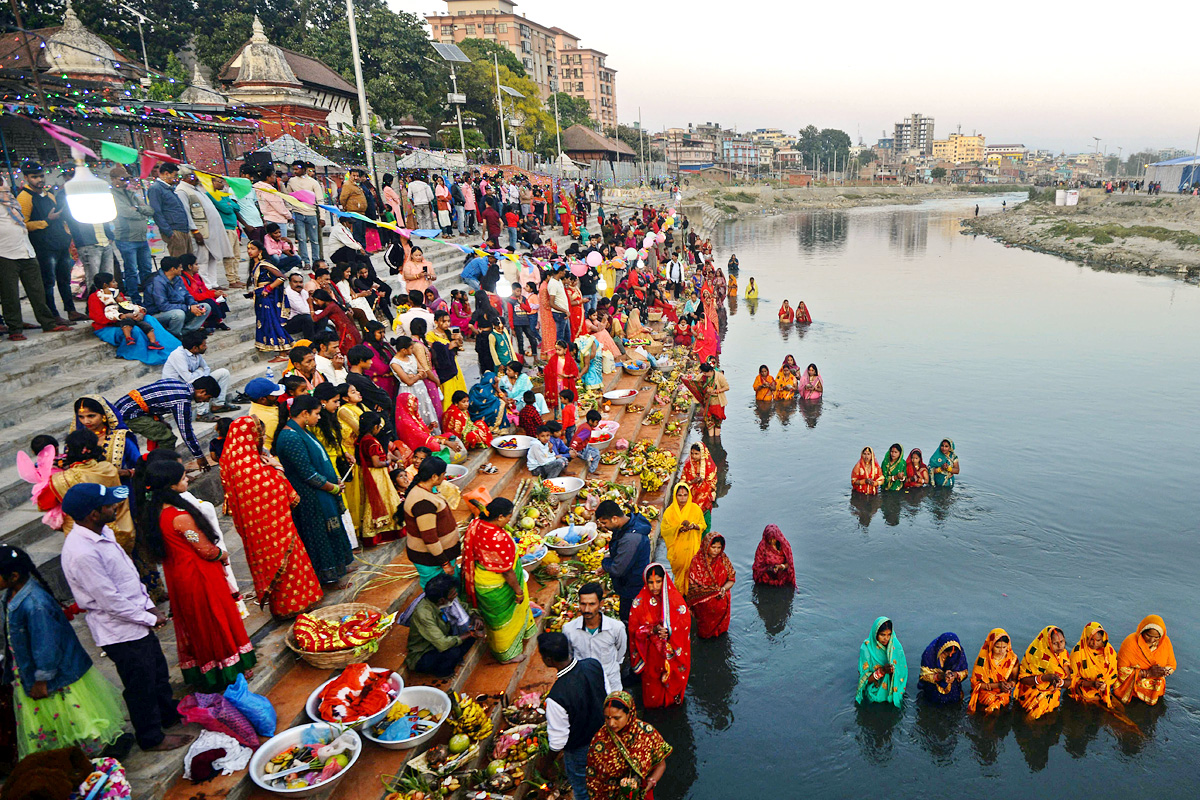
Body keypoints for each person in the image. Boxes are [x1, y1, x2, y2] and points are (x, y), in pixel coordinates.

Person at [59, 484, 190, 752]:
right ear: (93, 514)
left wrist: (148, 606)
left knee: (157, 674)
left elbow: (127, 574)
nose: (114, 507)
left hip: (137, 621)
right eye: (107, 505)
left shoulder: (102, 531)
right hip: (120, 631)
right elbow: (110, 600)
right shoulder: (82, 552)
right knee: (139, 685)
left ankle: (169, 716)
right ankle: (152, 737)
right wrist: (149, 618)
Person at [136, 459, 254, 689]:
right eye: (182, 478)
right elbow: (206, 550)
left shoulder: (153, 514)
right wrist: (222, 554)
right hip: (199, 575)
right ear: (170, 485)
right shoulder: (180, 519)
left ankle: (207, 668)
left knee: (196, 622)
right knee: (214, 619)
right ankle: (229, 668)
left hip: (178, 575)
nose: (187, 479)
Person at [0, 544, 126, 759]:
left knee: (75, 716)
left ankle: (98, 752)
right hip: (30, 671)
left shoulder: (35, 604)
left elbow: (46, 645)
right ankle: (69, 753)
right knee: (56, 721)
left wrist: (42, 680)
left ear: (13, 576)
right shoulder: (10, 597)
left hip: (51, 675)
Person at [219, 416, 323, 617]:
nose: (262, 439)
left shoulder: (229, 461)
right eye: (260, 434)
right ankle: (297, 605)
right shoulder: (255, 466)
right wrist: (278, 468)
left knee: (268, 567)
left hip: (254, 531)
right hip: (277, 529)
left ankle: (281, 607)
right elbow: (288, 496)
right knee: (289, 565)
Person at [275, 396, 354, 587]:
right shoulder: (290, 437)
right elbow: (308, 474)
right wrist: (333, 487)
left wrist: (333, 479)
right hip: (310, 497)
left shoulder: (303, 431)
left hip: (322, 492)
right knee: (320, 536)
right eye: (317, 414)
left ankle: (339, 567)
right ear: (304, 413)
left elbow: (320, 459)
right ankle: (329, 577)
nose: (319, 417)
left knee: (332, 532)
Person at [460, 498, 536, 663]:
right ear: (500, 517)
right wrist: (518, 590)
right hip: (497, 585)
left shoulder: (477, 524)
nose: (510, 519)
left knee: (495, 620)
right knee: (502, 622)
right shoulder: (497, 538)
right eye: (509, 516)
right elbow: (507, 572)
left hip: (482, 580)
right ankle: (506, 655)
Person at [537, 633, 607, 800]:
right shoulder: (593, 665)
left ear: (548, 660)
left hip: (580, 751)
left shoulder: (556, 697)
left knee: (583, 791)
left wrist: (546, 765)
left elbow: (558, 741)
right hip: (605, 737)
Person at [585, 691, 671, 800]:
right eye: (607, 718)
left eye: (617, 718)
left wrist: (649, 784)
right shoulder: (599, 741)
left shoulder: (646, 733)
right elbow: (593, 780)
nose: (611, 723)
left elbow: (661, 765)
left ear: (629, 714)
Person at [112, 377, 217, 465]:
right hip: (127, 415)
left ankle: (157, 462)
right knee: (167, 438)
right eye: (208, 397)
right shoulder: (182, 400)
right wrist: (199, 457)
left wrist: (160, 420)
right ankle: (166, 472)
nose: (207, 401)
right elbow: (186, 432)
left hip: (122, 408)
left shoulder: (177, 383)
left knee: (163, 428)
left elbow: (155, 401)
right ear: (202, 391)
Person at [627, 564, 691, 708]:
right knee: (652, 689)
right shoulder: (639, 602)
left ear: (665, 580)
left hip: (671, 653)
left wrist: (670, 631)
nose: (654, 586)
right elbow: (633, 630)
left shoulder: (675, 599)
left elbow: (685, 623)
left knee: (673, 687)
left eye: (658, 581)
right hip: (651, 656)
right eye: (650, 582)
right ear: (645, 582)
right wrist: (652, 630)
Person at [86, 272, 176, 363]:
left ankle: (165, 346)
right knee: (135, 330)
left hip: (127, 320)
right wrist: (121, 317)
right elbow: (99, 318)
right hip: (107, 327)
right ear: (105, 285)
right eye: (113, 281)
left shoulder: (118, 294)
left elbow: (129, 307)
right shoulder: (94, 297)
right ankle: (142, 353)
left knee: (149, 319)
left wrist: (140, 314)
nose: (116, 283)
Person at [406, 573, 482, 677]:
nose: (456, 595)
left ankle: (456, 657)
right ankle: (443, 672)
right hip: (425, 652)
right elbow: (442, 644)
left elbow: (465, 609)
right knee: (453, 651)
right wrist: (469, 634)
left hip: (443, 635)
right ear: (442, 600)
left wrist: (475, 617)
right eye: (453, 594)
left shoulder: (448, 601)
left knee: (470, 629)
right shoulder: (424, 614)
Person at [402, 456, 461, 587]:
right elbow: (430, 538)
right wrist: (445, 564)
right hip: (431, 560)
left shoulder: (425, 491)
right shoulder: (423, 503)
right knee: (440, 593)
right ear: (434, 477)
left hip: (438, 558)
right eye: (443, 475)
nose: (444, 478)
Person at [562, 583, 627, 696]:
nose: (587, 609)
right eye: (583, 604)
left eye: (592, 604)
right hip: (583, 686)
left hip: (611, 685)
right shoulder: (568, 630)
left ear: (601, 603)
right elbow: (569, 656)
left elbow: (620, 653)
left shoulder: (616, 627)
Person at [596, 500, 652, 623]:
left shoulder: (631, 538)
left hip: (633, 586)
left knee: (630, 620)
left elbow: (618, 569)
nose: (604, 526)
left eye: (605, 522)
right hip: (630, 581)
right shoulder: (628, 525)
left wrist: (605, 563)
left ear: (615, 518)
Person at [163, 330, 235, 421]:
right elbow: (189, 378)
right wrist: (199, 371)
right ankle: (202, 414)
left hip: (191, 381)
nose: (206, 347)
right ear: (195, 347)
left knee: (223, 373)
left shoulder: (196, 353)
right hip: (177, 388)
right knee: (202, 384)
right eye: (204, 345)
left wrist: (197, 372)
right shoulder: (178, 355)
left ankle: (218, 405)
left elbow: (206, 369)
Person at [355, 411, 403, 547]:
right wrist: (387, 462)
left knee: (373, 501)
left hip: (368, 473)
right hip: (377, 475)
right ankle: (384, 532)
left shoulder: (361, 439)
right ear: (374, 427)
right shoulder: (371, 442)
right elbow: (376, 462)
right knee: (382, 500)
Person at [1115, 615, 1176, 706]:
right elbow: (1121, 669)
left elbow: (1171, 664)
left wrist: (1164, 671)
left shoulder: (1165, 643)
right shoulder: (1130, 643)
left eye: (1156, 637)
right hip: (1132, 688)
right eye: (1148, 635)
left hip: (1155, 689)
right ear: (1142, 631)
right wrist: (1147, 673)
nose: (1152, 640)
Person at [144, 256, 212, 337]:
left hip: (180, 308)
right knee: (179, 314)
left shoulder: (178, 278)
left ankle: (185, 332)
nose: (182, 269)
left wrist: (193, 305)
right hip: (158, 314)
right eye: (180, 267)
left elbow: (187, 294)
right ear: (173, 269)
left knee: (205, 307)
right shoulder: (157, 282)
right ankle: (173, 336)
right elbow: (163, 306)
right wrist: (188, 308)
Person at [1014, 626, 1071, 720]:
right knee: (1030, 720)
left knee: (1050, 721)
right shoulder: (1035, 655)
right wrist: (1045, 678)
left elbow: (1069, 682)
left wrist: (1059, 682)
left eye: (1062, 641)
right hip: (1031, 696)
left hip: (1052, 697)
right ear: (1047, 643)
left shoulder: (1063, 655)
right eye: (1055, 643)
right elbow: (1022, 679)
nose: (1060, 646)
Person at [246, 240, 293, 355]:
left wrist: (268, 289)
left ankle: (283, 351)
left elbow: (281, 277)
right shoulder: (255, 265)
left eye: (252, 248)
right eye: (248, 248)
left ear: (260, 251)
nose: (249, 251)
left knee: (272, 322)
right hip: (260, 298)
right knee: (265, 323)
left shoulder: (264, 264)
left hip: (267, 299)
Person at [686, 533, 735, 639]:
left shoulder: (723, 559)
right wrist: (711, 592)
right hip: (704, 607)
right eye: (713, 547)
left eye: (719, 548)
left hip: (722, 601)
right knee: (705, 632)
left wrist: (723, 589)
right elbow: (694, 587)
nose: (716, 551)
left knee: (721, 632)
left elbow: (731, 579)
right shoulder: (697, 562)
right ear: (706, 546)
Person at [660, 483, 704, 596]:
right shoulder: (669, 512)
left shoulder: (695, 509)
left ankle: (690, 596)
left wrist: (694, 526)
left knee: (691, 574)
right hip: (677, 552)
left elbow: (703, 525)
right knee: (680, 575)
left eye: (685, 495)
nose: (683, 498)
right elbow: (665, 531)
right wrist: (678, 529)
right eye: (680, 495)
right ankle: (680, 596)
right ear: (675, 496)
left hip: (692, 548)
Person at [1068, 622, 1121, 710]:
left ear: (1103, 639)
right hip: (1083, 689)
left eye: (1098, 640)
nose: (1094, 643)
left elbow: (1113, 673)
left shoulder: (1109, 651)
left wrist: (1104, 684)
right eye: (1091, 639)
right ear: (1086, 637)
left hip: (1103, 687)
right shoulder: (1078, 653)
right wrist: (1091, 684)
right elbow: (1071, 678)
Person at [855, 617, 907, 707]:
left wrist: (893, 671)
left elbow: (902, 671)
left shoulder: (895, 646)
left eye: (889, 634)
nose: (886, 639)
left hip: (893, 686)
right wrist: (882, 671)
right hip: (874, 688)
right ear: (875, 634)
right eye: (882, 635)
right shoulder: (867, 648)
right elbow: (864, 678)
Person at [968, 629, 1017, 714]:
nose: (1001, 651)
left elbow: (1015, 680)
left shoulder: (1012, 659)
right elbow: (975, 685)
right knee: (992, 707)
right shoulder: (983, 660)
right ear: (991, 645)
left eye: (1004, 647)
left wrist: (1010, 685)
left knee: (998, 706)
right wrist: (997, 685)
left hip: (1003, 693)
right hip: (985, 693)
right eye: (997, 647)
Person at [428, 311, 467, 411]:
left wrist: (459, 339)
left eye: (448, 321)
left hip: (454, 366)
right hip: (444, 369)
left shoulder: (449, 332)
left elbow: (459, 347)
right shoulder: (431, 335)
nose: (447, 324)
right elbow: (433, 351)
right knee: (448, 394)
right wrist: (448, 347)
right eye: (443, 321)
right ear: (436, 322)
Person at [918, 633, 969, 705]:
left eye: (953, 653)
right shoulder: (929, 653)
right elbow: (924, 676)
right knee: (932, 701)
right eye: (947, 653)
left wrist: (954, 675)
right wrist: (941, 676)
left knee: (954, 702)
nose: (951, 655)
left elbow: (965, 672)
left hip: (952, 685)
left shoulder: (959, 653)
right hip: (933, 686)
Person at [681, 443, 718, 528]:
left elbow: (712, 482)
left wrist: (702, 484)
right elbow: (682, 482)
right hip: (690, 493)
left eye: (696, 454)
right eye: (692, 453)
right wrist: (692, 482)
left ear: (703, 454)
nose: (694, 456)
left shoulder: (710, 466)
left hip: (704, 496)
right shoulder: (688, 465)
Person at [698, 362, 729, 436]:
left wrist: (718, 391)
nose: (704, 374)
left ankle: (717, 439)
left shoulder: (719, 376)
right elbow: (696, 382)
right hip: (708, 402)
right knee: (709, 422)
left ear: (710, 371)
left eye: (705, 373)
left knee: (718, 422)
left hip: (718, 402)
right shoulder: (703, 377)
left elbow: (727, 387)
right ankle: (711, 439)